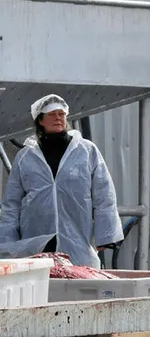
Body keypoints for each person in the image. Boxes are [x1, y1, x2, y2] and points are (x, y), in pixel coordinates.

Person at [0, 94, 124, 268]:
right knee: (41, 285)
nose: (57, 118)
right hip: (35, 240)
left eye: (61, 114)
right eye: (51, 114)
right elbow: (11, 205)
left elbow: (104, 195)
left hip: (77, 240)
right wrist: (8, 241)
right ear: (40, 120)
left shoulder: (86, 151)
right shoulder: (25, 157)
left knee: (79, 286)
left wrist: (106, 236)